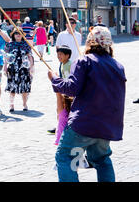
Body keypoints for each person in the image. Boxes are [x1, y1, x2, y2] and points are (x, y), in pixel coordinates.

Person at [47, 26, 126, 182]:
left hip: (84, 124)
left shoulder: (84, 61)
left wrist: (54, 78)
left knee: (66, 157)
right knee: (102, 159)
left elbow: (71, 89)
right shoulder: (118, 66)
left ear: (90, 43)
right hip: (107, 126)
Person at [4, 28, 34, 112]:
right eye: (16, 33)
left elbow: (30, 56)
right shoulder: (10, 44)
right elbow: (6, 56)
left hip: (24, 68)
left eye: (20, 33)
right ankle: (11, 105)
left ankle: (24, 104)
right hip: (13, 67)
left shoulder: (26, 44)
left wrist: (31, 67)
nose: (18, 34)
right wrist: (5, 66)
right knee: (12, 87)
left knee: (25, 87)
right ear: (13, 35)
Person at [53, 45, 72, 144]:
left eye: (61, 54)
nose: (58, 56)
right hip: (65, 92)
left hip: (68, 94)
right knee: (59, 111)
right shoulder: (63, 64)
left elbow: (69, 80)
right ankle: (59, 127)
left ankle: (62, 128)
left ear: (67, 55)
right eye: (58, 54)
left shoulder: (69, 65)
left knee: (63, 112)